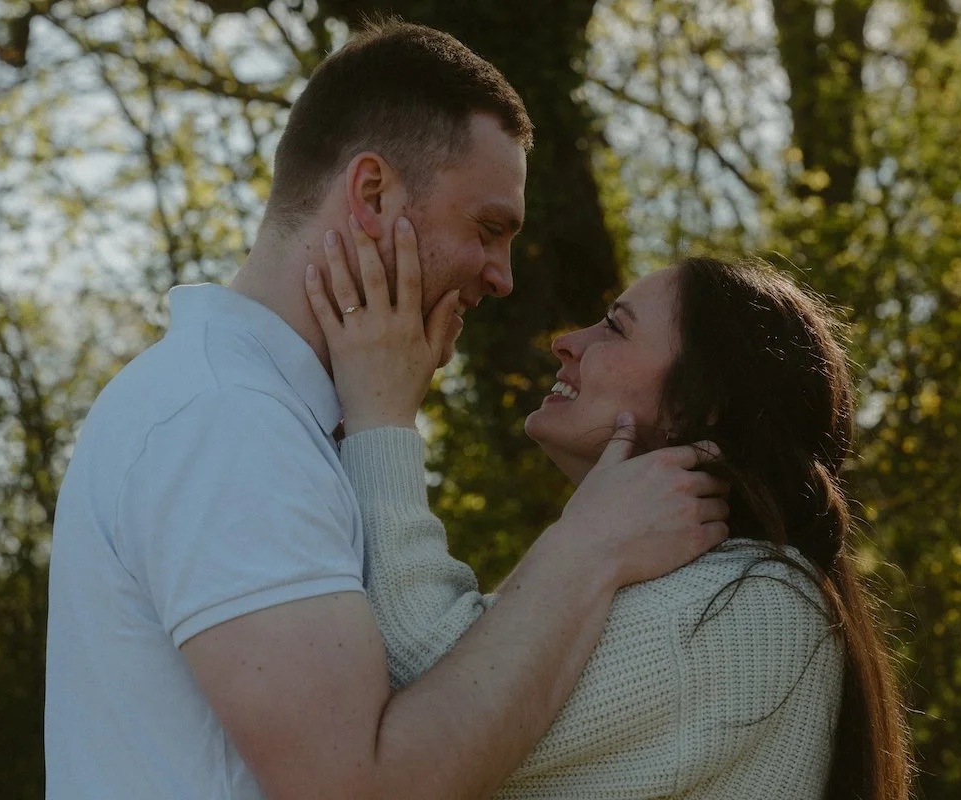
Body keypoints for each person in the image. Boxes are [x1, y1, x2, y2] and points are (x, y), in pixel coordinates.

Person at [44, 19, 732, 800]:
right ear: (372, 193)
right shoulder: (226, 421)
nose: (501, 276)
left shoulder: (268, 415)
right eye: (489, 228)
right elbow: (362, 787)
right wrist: (588, 551)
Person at [308, 226, 913, 798]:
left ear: (699, 405)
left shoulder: (756, 603)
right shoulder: (672, 583)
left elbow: (430, 694)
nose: (567, 341)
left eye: (615, 329)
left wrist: (381, 417)